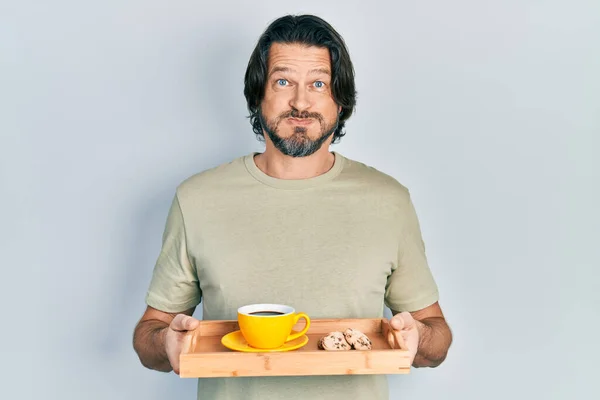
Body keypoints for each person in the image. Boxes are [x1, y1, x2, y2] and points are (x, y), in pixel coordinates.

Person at [133, 14, 453, 400]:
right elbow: (148, 334)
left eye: (318, 84)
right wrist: (167, 344)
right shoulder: (197, 198)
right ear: (258, 95)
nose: (301, 102)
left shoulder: (388, 200)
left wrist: (417, 337)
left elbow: (436, 337)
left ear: (340, 100)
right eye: (283, 82)